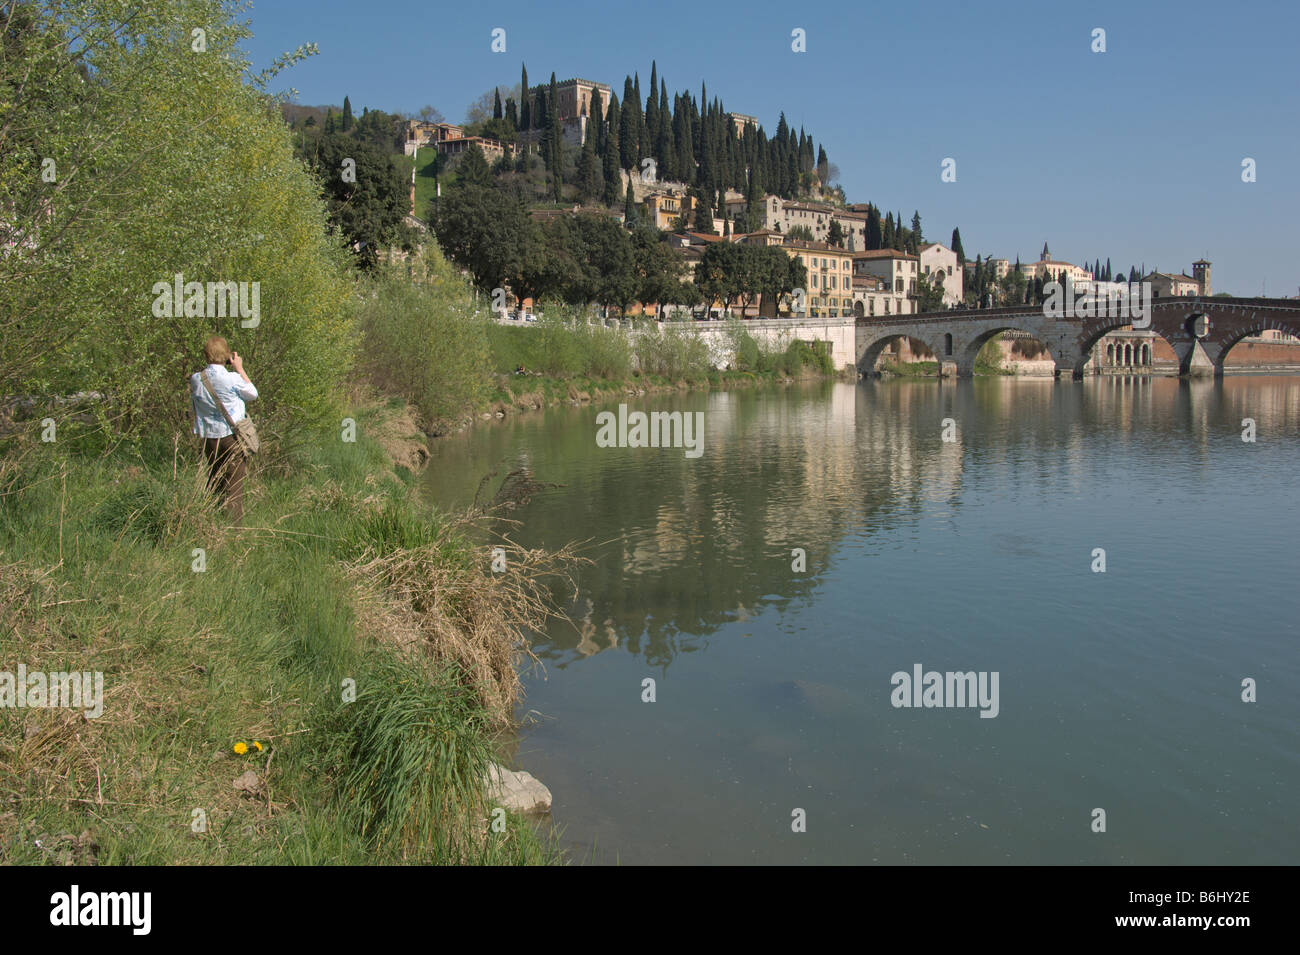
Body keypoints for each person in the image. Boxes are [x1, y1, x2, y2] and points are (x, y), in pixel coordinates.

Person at [190, 335, 257, 524]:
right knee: (234, 485)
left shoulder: (196, 379)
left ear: (206, 355)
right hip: (232, 437)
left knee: (214, 480)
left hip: (209, 438)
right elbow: (252, 394)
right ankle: (234, 534)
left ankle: (211, 522)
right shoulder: (232, 378)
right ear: (227, 355)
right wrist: (239, 368)